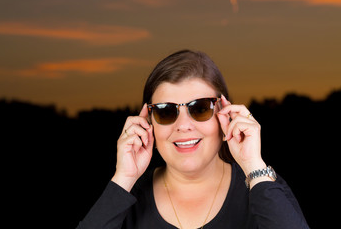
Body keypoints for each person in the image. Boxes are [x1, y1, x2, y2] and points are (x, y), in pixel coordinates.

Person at [77, 50, 309, 229]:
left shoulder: (266, 189)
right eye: (166, 111)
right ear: (149, 122)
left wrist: (252, 164)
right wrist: (124, 179)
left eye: (199, 108)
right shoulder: (127, 197)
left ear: (225, 113)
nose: (184, 125)